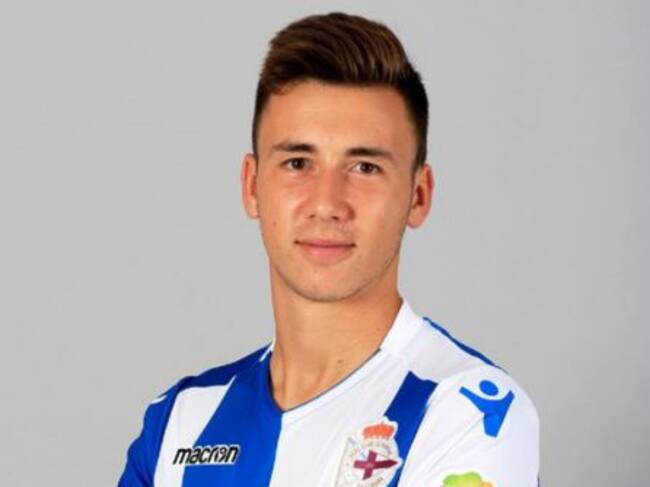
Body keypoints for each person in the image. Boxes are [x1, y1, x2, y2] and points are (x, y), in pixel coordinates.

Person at [118, 11, 539, 487]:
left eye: (364, 168)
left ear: (418, 196)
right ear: (252, 186)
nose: (327, 203)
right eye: (298, 162)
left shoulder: (469, 414)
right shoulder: (181, 421)